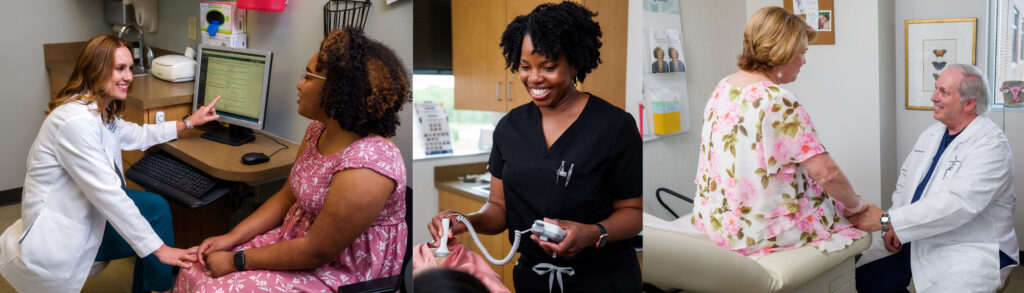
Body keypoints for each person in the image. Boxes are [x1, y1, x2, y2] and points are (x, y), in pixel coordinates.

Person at [427, 2, 643, 292]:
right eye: (525, 67)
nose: (535, 78)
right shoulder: (509, 128)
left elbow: (634, 211)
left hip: (603, 280)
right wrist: (466, 221)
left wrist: (593, 233)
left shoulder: (615, 126)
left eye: (549, 67)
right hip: (532, 281)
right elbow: (499, 207)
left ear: (575, 63)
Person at [174, 27, 409, 291]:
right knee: (195, 266)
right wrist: (229, 239)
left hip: (340, 273)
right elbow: (285, 198)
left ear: (338, 91)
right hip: (295, 242)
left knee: (215, 289)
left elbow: (317, 251)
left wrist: (236, 261)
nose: (299, 84)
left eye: (308, 77)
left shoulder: (371, 163)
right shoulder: (318, 130)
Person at [0, 33, 217, 293]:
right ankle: (158, 288)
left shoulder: (97, 109)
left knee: (155, 207)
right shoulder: (75, 123)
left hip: (82, 208)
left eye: (130, 69)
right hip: (60, 233)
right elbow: (109, 196)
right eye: (120, 69)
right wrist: (160, 249)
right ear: (96, 69)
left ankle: (152, 287)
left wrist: (189, 122)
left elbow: (138, 134)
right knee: (154, 218)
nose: (128, 77)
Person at [691, 6, 874, 257]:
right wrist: (857, 205)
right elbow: (827, 173)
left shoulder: (723, 87)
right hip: (758, 232)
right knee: (851, 214)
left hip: (714, 222)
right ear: (783, 52)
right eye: (801, 53)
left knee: (831, 199)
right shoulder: (777, 100)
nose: (803, 61)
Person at [851, 64, 1018, 292]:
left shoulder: (991, 145)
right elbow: (906, 182)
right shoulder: (932, 134)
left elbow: (958, 204)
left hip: (969, 245)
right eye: (935, 89)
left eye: (943, 92)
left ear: (969, 104)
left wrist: (888, 220)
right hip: (917, 234)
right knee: (862, 279)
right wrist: (894, 228)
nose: (933, 97)